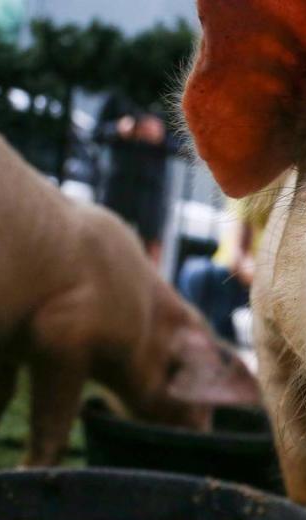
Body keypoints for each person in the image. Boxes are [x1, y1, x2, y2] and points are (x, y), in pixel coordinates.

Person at [176, 182, 275, 343]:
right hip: (238, 280)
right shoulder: (251, 185)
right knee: (197, 274)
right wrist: (272, 285)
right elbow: (238, 258)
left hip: (265, 288)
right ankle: (210, 340)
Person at [96, 94, 181, 264]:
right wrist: (118, 129)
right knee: (105, 240)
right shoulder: (119, 93)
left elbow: (184, 146)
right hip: (118, 182)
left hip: (152, 186)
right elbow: (97, 133)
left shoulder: (167, 96)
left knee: (150, 248)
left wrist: (160, 137)